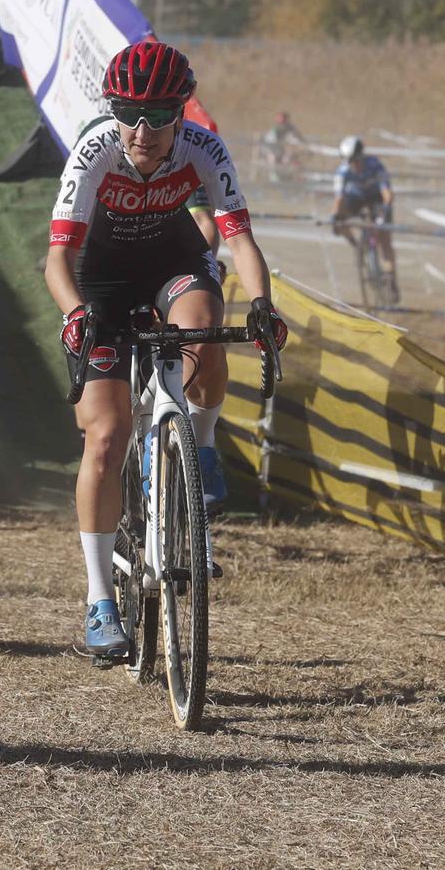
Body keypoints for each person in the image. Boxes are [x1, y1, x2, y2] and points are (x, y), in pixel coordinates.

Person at [47, 39, 287, 663]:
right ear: (113, 109)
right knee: (105, 435)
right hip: (100, 281)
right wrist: (77, 316)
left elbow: (239, 239)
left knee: (206, 328)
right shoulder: (96, 148)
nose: (142, 130)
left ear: (182, 112)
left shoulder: (204, 148)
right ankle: (101, 599)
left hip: (173, 263)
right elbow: (57, 260)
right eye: (128, 112)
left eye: (158, 116)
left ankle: (199, 443)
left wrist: (263, 305)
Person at [331, 135, 398, 301]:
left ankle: (391, 279)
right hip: (356, 200)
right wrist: (335, 217)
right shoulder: (343, 171)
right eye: (350, 161)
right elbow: (338, 199)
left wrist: (384, 210)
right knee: (339, 218)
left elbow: (387, 193)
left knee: (384, 240)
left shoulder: (374, 165)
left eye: (356, 160)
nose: (354, 164)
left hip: (377, 200)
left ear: (361, 156)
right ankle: (356, 245)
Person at [258, 110, 307, 182]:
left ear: (286, 119)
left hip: (283, 151)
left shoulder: (290, 128)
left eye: (282, 118)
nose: (280, 120)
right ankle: (275, 179)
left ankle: (289, 178)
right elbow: (269, 141)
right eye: (279, 118)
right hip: (272, 150)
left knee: (288, 160)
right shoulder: (275, 129)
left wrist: (303, 144)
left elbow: (297, 137)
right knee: (274, 161)